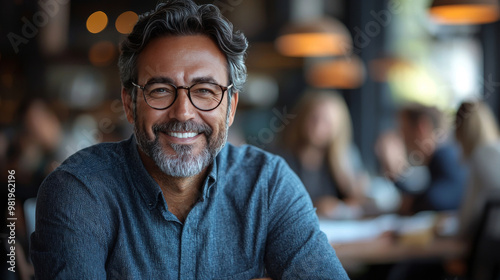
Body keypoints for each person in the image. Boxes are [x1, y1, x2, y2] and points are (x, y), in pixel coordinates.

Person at [30, 1, 349, 279]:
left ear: (231, 108)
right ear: (130, 104)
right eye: (160, 90)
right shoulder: (78, 190)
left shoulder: (268, 185)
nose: (183, 113)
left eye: (205, 92)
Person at [279, 90, 372, 219]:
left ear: (338, 127)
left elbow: (360, 203)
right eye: (314, 118)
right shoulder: (281, 157)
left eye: (327, 122)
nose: (319, 127)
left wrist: (353, 193)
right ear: (302, 118)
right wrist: (315, 206)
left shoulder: (345, 156)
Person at [378, 103, 468, 214]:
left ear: (422, 127)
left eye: (403, 130)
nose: (401, 137)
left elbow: (437, 200)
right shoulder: (443, 155)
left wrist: (411, 203)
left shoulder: (445, 156)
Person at [454, 101, 500, 239]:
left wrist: (457, 230)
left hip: (491, 242)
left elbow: (470, 208)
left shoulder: (483, 155)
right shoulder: (494, 149)